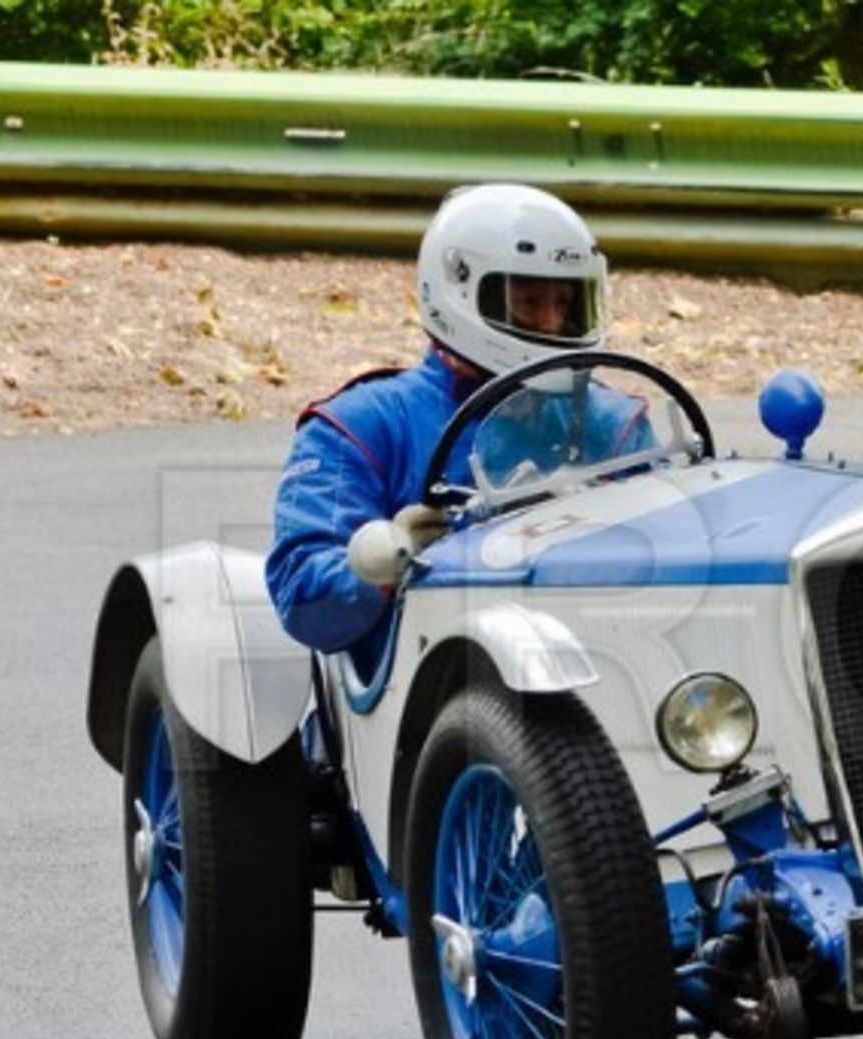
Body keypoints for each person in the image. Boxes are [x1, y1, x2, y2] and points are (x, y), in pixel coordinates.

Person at [265, 183, 652, 674]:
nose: (553, 324)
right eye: (530, 302)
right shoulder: (360, 425)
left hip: (603, 671)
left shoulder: (613, 423)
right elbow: (301, 597)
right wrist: (385, 562)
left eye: (565, 304)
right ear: (460, 291)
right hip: (427, 698)